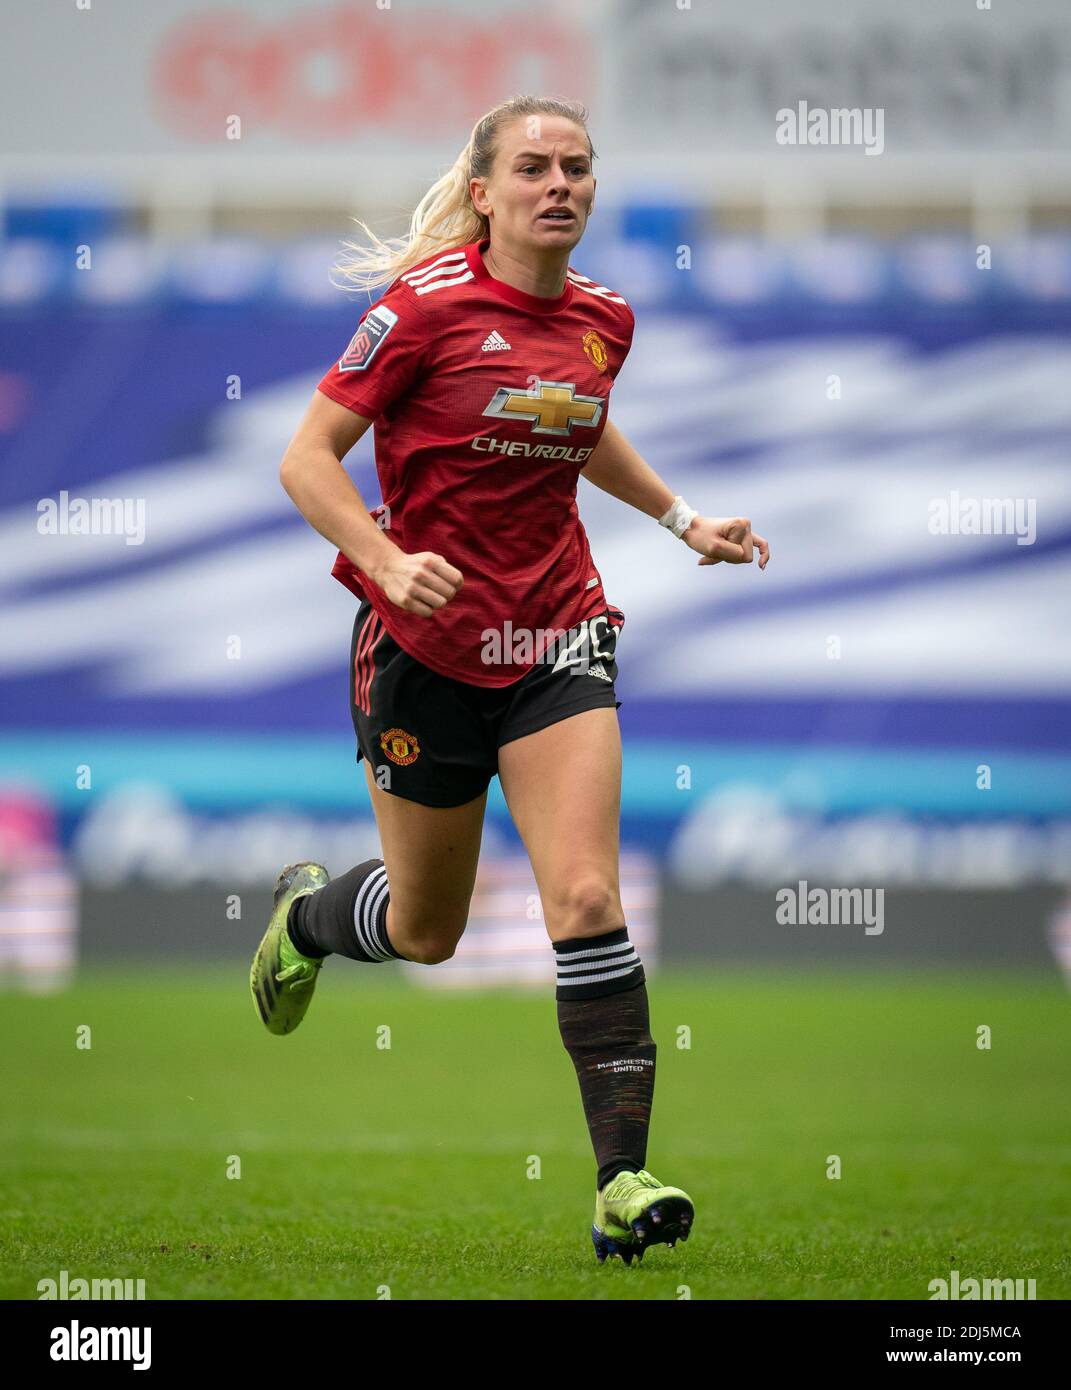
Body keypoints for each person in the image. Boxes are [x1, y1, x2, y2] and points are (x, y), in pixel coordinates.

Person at [250, 94, 769, 1265]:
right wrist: (385, 559)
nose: (560, 185)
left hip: (555, 641)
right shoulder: (420, 309)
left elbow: (574, 426)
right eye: (533, 166)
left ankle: (619, 1179)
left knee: (585, 899)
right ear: (483, 191)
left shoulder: (604, 319)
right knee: (428, 930)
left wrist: (683, 518)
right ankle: (310, 920)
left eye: (578, 167)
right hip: (423, 654)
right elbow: (305, 458)